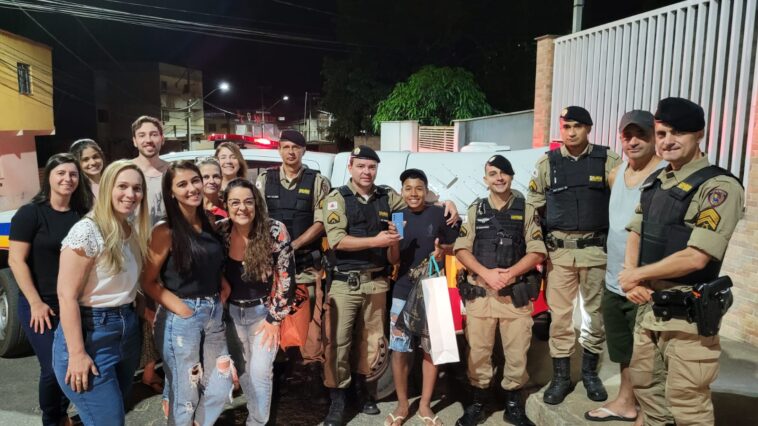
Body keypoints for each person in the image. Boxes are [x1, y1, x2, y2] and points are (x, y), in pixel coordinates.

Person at [620, 97, 744, 426]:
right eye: (661, 134)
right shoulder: (657, 182)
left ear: (699, 134)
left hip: (687, 316)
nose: (667, 141)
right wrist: (631, 277)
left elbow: (696, 256)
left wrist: (636, 274)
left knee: (687, 404)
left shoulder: (718, 187)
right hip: (648, 308)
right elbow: (636, 231)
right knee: (647, 391)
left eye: (678, 132)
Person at [320, 146, 459, 426]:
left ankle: (363, 392)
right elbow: (336, 240)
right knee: (339, 342)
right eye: (361, 166)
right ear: (350, 167)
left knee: (372, 343)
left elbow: (419, 198)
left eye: (371, 167)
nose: (366, 172)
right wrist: (379, 242)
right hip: (347, 283)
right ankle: (338, 400)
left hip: (378, 284)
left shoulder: (387, 196)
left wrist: (449, 202)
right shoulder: (337, 198)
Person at [527, 106, 621, 405]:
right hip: (560, 254)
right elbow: (534, 205)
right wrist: (538, 247)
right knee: (560, 318)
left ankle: (590, 374)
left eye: (577, 126)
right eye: (566, 127)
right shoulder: (548, 163)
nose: (571, 132)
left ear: (588, 129)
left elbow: (623, 200)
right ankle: (561, 377)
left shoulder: (608, 160)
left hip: (596, 252)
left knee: (595, 315)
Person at [52, 160, 149, 425]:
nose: (130, 194)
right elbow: (66, 296)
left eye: (137, 188)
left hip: (126, 330)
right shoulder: (87, 230)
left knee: (110, 415)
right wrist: (77, 354)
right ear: (107, 188)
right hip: (91, 334)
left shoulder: (130, 227)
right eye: (122, 186)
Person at [585, 111, 665, 424]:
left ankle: (650, 410)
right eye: (627, 135)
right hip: (615, 278)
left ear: (654, 137)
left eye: (640, 135)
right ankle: (626, 402)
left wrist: (648, 278)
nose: (633, 141)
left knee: (649, 354)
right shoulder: (616, 174)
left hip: (645, 281)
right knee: (622, 348)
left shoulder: (664, 175)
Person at [454, 155, 545, 426]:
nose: (499, 178)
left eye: (504, 173)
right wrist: (486, 274)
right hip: (481, 294)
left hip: (513, 294)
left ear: (511, 176)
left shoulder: (526, 209)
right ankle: (478, 403)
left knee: (517, 353)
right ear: (486, 179)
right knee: (478, 352)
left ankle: (513, 405)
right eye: (493, 173)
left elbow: (537, 251)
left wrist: (510, 273)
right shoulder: (476, 209)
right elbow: (461, 249)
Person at [142, 160, 233, 426]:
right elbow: (147, 280)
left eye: (195, 181)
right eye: (182, 184)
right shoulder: (165, 230)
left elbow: (208, 260)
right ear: (171, 192)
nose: (192, 188)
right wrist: (181, 308)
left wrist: (222, 281)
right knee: (186, 395)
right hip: (181, 319)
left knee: (221, 382)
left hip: (213, 313)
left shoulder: (208, 222)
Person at [9, 153, 92, 426]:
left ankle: (62, 413)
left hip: (72, 303)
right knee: (51, 366)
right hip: (40, 303)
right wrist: (35, 302)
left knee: (69, 362)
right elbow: (16, 260)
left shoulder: (82, 215)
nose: (67, 179)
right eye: (61, 173)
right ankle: (52, 419)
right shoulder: (31, 213)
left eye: (73, 174)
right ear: (49, 178)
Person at [218, 178, 296, 426]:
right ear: (226, 205)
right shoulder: (220, 231)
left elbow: (286, 276)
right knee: (244, 371)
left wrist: (274, 319)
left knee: (260, 373)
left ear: (257, 204)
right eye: (235, 202)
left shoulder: (274, 230)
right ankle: (255, 416)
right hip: (232, 315)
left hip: (263, 315)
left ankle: (256, 422)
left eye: (248, 202)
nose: (242, 208)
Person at [384, 168, 458, 426]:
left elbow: (456, 246)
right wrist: (393, 240)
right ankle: (402, 404)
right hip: (403, 289)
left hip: (433, 288)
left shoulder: (439, 213)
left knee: (432, 350)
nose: (413, 193)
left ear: (426, 191)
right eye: (408, 188)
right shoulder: (397, 217)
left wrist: (443, 251)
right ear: (401, 191)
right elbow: (393, 260)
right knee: (399, 349)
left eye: (418, 188)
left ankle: (425, 405)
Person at [255, 129, 330, 371]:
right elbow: (258, 219)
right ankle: (276, 369)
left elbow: (321, 222)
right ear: (279, 150)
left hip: (305, 267)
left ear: (303, 150)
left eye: (296, 147)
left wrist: (291, 246)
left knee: (306, 323)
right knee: (273, 319)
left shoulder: (318, 182)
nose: (291, 152)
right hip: (273, 269)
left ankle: (306, 371)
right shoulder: (265, 179)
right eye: (286, 147)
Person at [130, 115, 169, 394]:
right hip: (132, 252)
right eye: (142, 135)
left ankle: (151, 369)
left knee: (160, 311)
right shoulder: (126, 171)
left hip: (166, 252)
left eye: (153, 134)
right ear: (134, 140)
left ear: (161, 138)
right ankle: (138, 370)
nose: (148, 140)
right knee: (140, 312)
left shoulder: (170, 172)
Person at [197, 157, 228, 222]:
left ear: (221, 179)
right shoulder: (191, 208)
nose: (212, 181)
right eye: (206, 177)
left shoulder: (228, 208)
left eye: (216, 176)